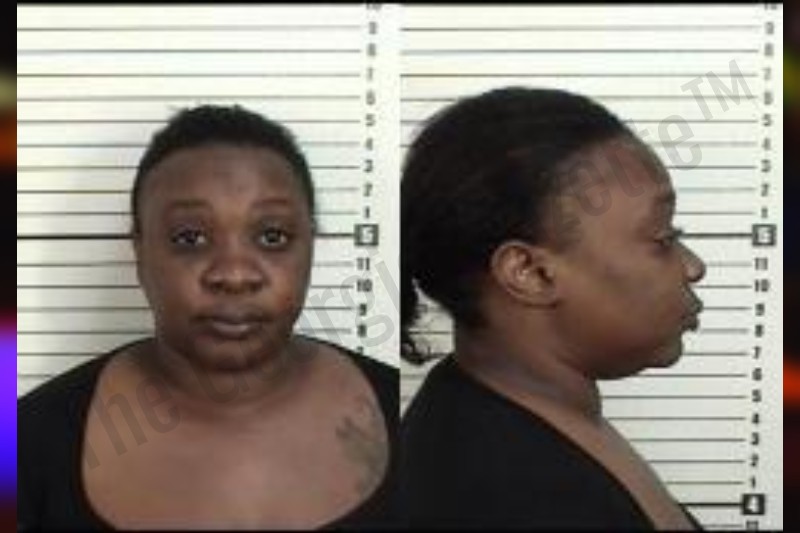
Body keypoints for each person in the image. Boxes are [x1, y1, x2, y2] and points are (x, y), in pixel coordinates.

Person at [18, 105, 398, 529]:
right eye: (190, 238)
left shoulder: (405, 415)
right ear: (139, 251)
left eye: (272, 236)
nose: (234, 275)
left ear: (311, 245)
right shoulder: (27, 445)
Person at [398, 87, 706, 529]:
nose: (693, 267)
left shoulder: (544, 419)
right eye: (662, 238)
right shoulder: (499, 495)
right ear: (530, 272)